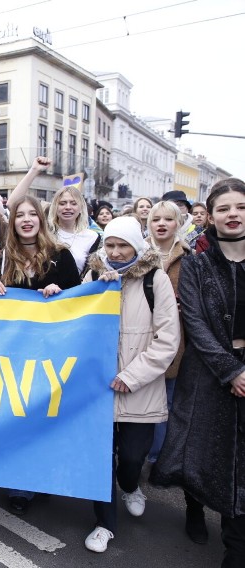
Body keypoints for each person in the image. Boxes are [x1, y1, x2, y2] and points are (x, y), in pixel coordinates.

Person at [152, 178, 245, 567]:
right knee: (202, 451)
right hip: (208, 374)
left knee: (238, 462)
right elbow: (195, 320)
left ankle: (234, 546)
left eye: (240, 207)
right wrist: (232, 371)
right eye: (223, 208)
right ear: (211, 215)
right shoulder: (196, 263)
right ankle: (194, 506)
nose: (233, 215)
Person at [81, 215, 179, 553]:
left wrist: (132, 376)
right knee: (101, 460)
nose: (116, 251)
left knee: (133, 459)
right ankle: (104, 524)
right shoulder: (94, 274)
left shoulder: (156, 279)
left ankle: (130, 486)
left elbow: (168, 339)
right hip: (100, 390)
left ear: (137, 246)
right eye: (110, 244)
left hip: (140, 390)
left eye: (123, 245)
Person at [0, 195, 82, 514]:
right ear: (12, 223)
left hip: (48, 351)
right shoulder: (1, 258)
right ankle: (19, 483)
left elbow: (80, 302)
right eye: (19, 216)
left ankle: (37, 479)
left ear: (41, 219)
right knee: (15, 415)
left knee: (41, 417)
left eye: (32, 215)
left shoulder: (60, 257)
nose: (26, 220)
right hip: (11, 351)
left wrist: (61, 294)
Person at [145, 200, 192, 465]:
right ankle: (135, 455)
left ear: (178, 223)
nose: (161, 224)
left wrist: (183, 305)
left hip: (175, 340)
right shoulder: (137, 254)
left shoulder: (189, 258)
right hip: (139, 337)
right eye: (156, 219)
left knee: (167, 402)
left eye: (168, 219)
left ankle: (157, 459)